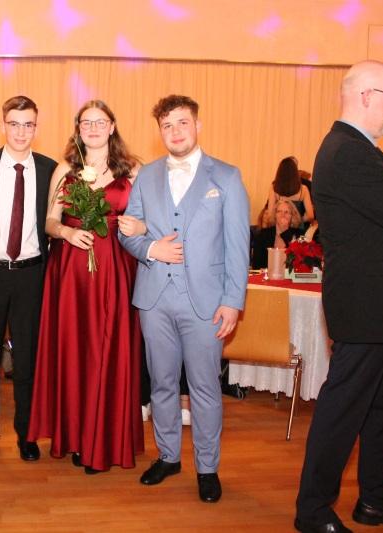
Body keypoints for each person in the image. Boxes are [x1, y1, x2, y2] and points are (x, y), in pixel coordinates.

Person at [294, 60, 383, 533]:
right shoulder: (349, 152)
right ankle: (312, 511)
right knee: (342, 411)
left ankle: (377, 501)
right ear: (367, 96)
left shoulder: (358, 150)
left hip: (381, 308)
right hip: (367, 308)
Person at [120, 94, 250, 502]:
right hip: (155, 299)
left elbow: (238, 245)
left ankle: (207, 468)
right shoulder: (147, 176)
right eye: (167, 125)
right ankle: (168, 456)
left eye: (182, 123)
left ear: (197, 125)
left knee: (204, 387)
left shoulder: (226, 177)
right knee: (160, 382)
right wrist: (150, 248)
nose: (175, 132)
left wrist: (233, 301)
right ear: (159, 131)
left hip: (207, 303)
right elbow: (129, 231)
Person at [28, 99, 145, 474]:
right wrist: (66, 232)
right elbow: (49, 222)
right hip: (72, 270)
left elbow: (150, 220)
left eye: (100, 121)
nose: (93, 128)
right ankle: (77, 436)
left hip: (116, 268)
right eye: (86, 122)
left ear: (112, 126)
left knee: (109, 349)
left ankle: (104, 439)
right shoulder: (65, 169)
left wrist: (139, 226)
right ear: (78, 129)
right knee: (76, 350)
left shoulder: (134, 169)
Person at [0, 96, 56, 462]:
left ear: (37, 127)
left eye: (28, 124)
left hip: (31, 276)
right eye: (14, 124)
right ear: (2, 125)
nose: (21, 132)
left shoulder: (51, 170)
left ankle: (26, 434)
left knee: (28, 363)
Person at [251, 198, 303, 269]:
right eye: (279, 211)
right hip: (267, 274)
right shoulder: (263, 235)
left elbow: (299, 262)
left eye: (286, 212)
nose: (283, 214)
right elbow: (256, 265)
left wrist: (285, 232)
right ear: (275, 215)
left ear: (292, 216)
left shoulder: (299, 235)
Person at [267, 156, 314, 226]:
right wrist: (299, 220)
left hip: (280, 228)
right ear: (295, 171)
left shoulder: (274, 188)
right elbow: (310, 216)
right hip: (298, 229)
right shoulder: (303, 189)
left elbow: (270, 216)